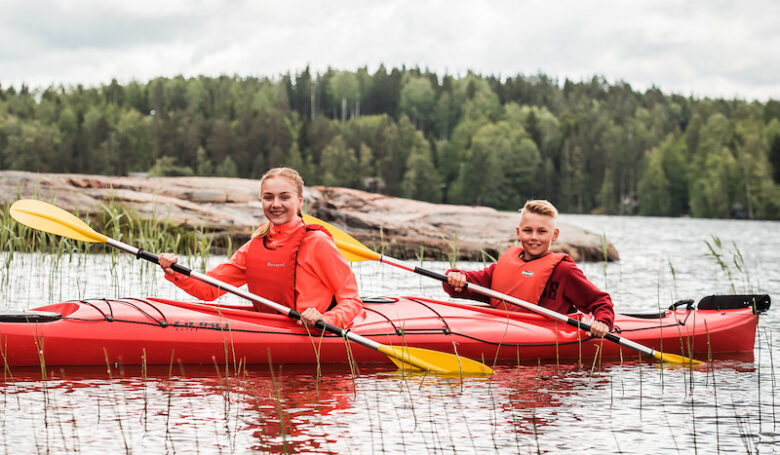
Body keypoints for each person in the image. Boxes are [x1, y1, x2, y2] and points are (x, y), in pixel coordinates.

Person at [158, 167, 363, 329]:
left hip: (313, 330)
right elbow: (209, 288)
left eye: (284, 197)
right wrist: (174, 271)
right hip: (271, 327)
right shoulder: (255, 245)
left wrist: (327, 319)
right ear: (261, 201)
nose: (276, 204)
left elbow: (352, 300)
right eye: (268, 197)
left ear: (299, 202)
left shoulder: (317, 242)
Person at [443, 200, 614, 337]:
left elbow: (600, 301)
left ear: (554, 235)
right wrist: (455, 276)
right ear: (518, 233)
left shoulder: (564, 271)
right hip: (502, 332)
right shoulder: (505, 266)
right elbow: (462, 286)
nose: (534, 237)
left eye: (542, 231)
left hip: (547, 337)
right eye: (527, 231)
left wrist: (603, 322)